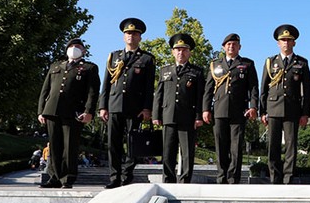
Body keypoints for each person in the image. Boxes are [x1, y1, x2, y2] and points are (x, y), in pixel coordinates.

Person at [98, 18, 155, 189]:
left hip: (135, 108)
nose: (131, 36)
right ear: (124, 36)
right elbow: (106, 84)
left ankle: (127, 175)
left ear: (140, 37)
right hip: (114, 105)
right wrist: (102, 106)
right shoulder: (114, 56)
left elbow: (148, 86)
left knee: (133, 144)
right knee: (113, 143)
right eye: (128, 33)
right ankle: (114, 177)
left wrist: (146, 107)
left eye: (135, 33)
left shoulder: (147, 59)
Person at [37, 38, 100, 188]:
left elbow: (92, 92)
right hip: (52, 110)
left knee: (69, 146)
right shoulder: (56, 66)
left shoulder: (89, 68)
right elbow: (45, 90)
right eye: (71, 46)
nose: (74, 48)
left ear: (83, 51)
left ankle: (67, 178)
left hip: (74, 112)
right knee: (54, 146)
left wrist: (89, 111)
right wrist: (41, 111)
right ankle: (54, 177)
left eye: (78, 46)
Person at [202, 33, 259, 184]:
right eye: (228, 44)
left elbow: (253, 88)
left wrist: (253, 106)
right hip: (219, 110)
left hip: (238, 111)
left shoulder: (247, 64)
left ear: (239, 47)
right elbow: (208, 89)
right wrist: (206, 109)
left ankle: (233, 178)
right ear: (223, 47)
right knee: (220, 145)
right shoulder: (215, 65)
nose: (231, 46)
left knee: (236, 147)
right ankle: (221, 177)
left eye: (234, 44)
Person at [260, 25, 310, 184]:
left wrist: (305, 113)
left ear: (294, 43)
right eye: (283, 40)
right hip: (273, 109)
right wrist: (263, 112)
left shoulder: (301, 63)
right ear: (278, 43)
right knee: (273, 147)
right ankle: (275, 178)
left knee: (291, 147)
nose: (286, 43)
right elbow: (264, 88)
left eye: (289, 40)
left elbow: (307, 91)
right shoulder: (270, 62)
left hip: (293, 109)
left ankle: (288, 178)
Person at [152, 33, 205, 183]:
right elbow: (159, 95)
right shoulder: (165, 70)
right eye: (178, 50)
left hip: (188, 118)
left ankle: (185, 181)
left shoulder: (197, 72)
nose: (181, 53)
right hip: (168, 116)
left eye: (184, 50)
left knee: (187, 152)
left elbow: (200, 96)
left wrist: (198, 116)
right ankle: (168, 180)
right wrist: (156, 115)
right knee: (168, 151)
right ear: (173, 52)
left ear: (189, 52)